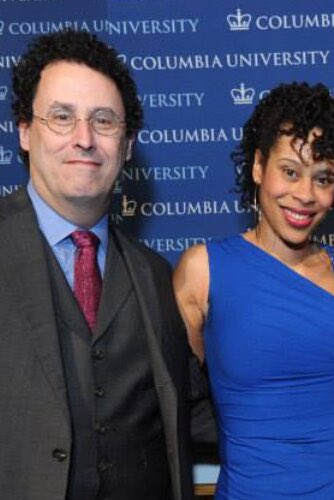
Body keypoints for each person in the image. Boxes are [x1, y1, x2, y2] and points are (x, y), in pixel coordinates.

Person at [0, 30, 209, 499]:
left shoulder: (155, 276)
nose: (84, 138)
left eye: (104, 121)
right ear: (25, 132)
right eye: (61, 117)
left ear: (128, 144)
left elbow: (196, 410)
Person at [173, 82, 334, 499]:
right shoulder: (203, 270)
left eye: (323, 178)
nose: (305, 195)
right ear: (259, 166)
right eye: (290, 171)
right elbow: (178, 402)